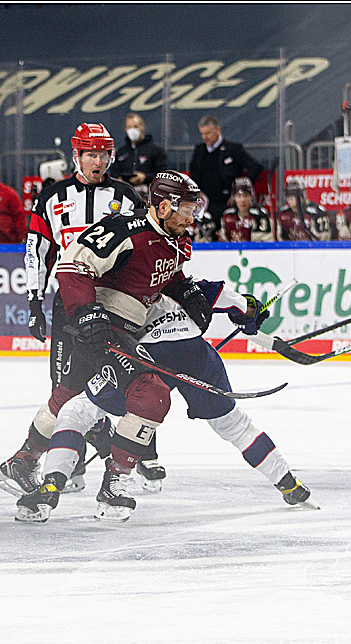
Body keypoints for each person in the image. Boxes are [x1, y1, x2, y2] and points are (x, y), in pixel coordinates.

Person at [13, 170, 211, 522]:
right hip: (103, 328)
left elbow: (164, 275)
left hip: (118, 331)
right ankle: (114, 482)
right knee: (152, 395)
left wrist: (187, 291)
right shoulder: (125, 229)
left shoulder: (174, 240)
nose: (191, 216)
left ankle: (23, 460)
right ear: (163, 207)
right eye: (186, 208)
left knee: (64, 396)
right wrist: (85, 313)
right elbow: (71, 265)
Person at [30, 277, 314, 517]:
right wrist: (249, 311)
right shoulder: (174, 274)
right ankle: (289, 483)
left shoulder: (116, 281)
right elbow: (227, 297)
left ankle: (54, 484)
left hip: (150, 357)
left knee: (77, 410)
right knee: (233, 424)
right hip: (196, 353)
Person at [0, 123, 142, 495]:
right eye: (90, 154)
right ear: (75, 156)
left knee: (110, 381)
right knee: (64, 384)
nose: (98, 161)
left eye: (104, 154)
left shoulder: (127, 197)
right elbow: (36, 251)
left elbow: (142, 250)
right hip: (68, 304)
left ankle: (112, 453)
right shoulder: (50, 197)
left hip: (113, 303)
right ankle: (75, 461)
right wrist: (34, 300)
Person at [189, 115, 263, 229]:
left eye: (208, 133)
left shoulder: (233, 149)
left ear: (218, 130)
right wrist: (197, 192)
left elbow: (255, 167)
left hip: (228, 202)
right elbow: (193, 174)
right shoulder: (199, 150)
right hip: (205, 203)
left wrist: (239, 190)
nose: (205, 137)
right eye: (202, 134)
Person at [113, 112, 169, 202]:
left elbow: (163, 175)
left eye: (135, 126)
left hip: (149, 195)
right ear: (125, 129)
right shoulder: (121, 152)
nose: (132, 130)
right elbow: (114, 172)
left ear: (142, 127)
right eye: (129, 127)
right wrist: (121, 180)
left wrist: (145, 177)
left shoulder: (156, 150)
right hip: (125, 195)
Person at [220, 177, 272, 241]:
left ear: (251, 197)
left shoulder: (260, 215)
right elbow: (223, 241)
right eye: (239, 196)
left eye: (245, 196)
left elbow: (265, 241)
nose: (242, 200)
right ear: (234, 198)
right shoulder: (227, 216)